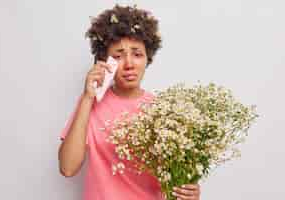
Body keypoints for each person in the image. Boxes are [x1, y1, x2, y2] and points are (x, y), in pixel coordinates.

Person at [58, 5, 201, 200]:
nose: (129, 64)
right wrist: (87, 98)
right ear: (105, 61)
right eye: (118, 55)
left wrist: (190, 192)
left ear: (147, 58)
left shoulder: (163, 111)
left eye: (137, 54)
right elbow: (67, 167)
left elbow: (178, 178)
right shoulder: (90, 103)